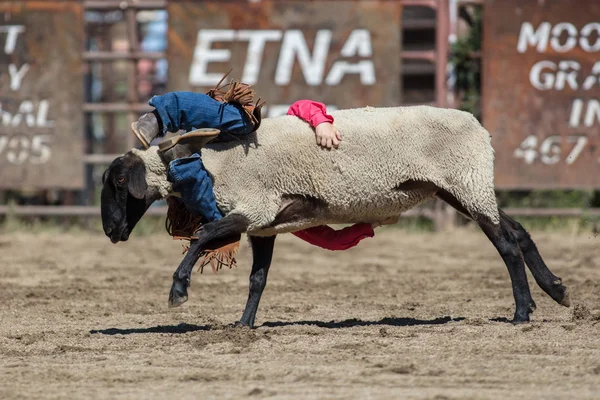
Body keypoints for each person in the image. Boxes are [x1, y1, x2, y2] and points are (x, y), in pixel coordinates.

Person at [131, 91, 397, 251]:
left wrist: (370, 224)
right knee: (245, 122)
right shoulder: (288, 210)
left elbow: (330, 240)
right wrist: (321, 122)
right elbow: (300, 108)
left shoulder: (290, 212)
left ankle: (182, 157)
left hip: (230, 186)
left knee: (218, 215)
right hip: (242, 151)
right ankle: (162, 123)